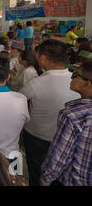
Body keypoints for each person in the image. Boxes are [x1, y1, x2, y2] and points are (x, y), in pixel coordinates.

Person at [19, 40, 80, 186]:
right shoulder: (78, 81)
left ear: (44, 58)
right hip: (68, 138)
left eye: (38, 56)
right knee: (61, 174)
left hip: (37, 138)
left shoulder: (36, 83)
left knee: (36, 172)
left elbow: (18, 100)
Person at [40, 62, 92, 186]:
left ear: (86, 83)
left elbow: (58, 159)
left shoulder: (73, 116)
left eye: (75, 74)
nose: (72, 76)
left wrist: (44, 180)